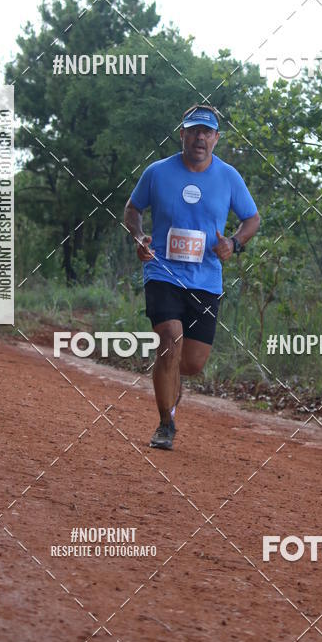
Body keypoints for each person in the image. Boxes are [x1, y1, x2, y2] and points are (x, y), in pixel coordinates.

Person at [123, 104, 260, 450]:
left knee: (192, 363)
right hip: (162, 270)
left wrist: (233, 243)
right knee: (170, 339)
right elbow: (132, 208)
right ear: (181, 133)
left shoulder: (228, 177)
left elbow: (252, 219)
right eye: (194, 130)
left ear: (216, 138)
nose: (200, 137)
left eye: (207, 132)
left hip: (206, 280)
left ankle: (170, 377)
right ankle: (165, 424)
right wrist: (140, 237)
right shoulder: (157, 172)